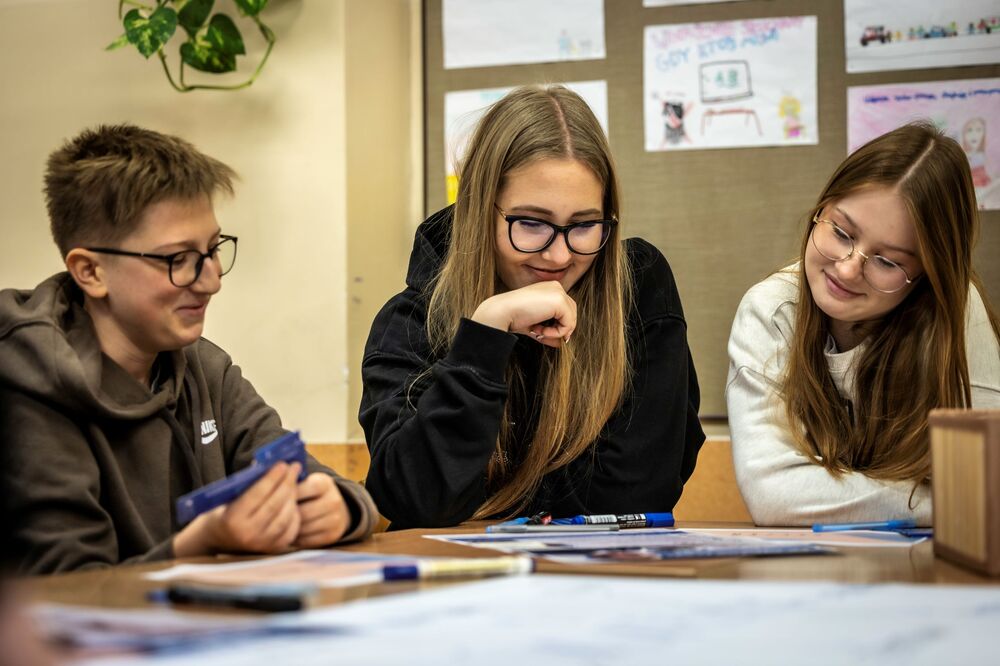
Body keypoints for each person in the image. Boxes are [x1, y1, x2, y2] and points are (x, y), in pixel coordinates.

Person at [0, 125, 378, 574]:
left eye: (213, 248)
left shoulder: (204, 365)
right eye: (177, 259)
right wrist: (198, 545)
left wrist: (340, 508)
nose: (212, 280)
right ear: (90, 272)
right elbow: (64, 590)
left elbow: (333, 488)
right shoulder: (26, 383)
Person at [360, 85, 704, 528]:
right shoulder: (409, 321)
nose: (559, 257)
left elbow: (636, 496)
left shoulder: (636, 288)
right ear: (480, 210)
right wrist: (483, 339)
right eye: (531, 223)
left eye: (583, 225)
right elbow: (414, 504)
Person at [726, 121, 1000, 526]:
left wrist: (967, 499)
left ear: (928, 274)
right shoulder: (771, 310)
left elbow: (986, 486)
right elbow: (774, 495)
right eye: (840, 231)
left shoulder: (954, 310)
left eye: (888, 262)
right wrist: (946, 504)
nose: (849, 269)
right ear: (820, 210)